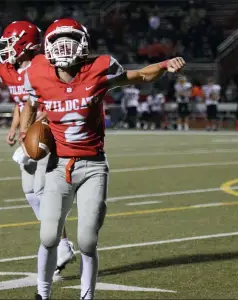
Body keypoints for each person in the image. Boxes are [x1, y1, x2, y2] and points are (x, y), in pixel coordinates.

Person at [18, 18, 186, 300]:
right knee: (48, 237)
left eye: (70, 40)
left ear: (83, 44)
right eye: (58, 41)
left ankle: (86, 296)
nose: (64, 47)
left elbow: (140, 76)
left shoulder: (99, 68)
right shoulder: (37, 72)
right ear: (47, 46)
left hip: (93, 165)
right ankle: (42, 295)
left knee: (87, 241)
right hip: (58, 165)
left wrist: (163, 65)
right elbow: (31, 103)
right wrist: (25, 131)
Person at [0, 21, 76, 274]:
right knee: (30, 193)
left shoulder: (45, 64)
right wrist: (14, 126)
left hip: (47, 132)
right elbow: (21, 103)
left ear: (26, 43)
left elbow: (52, 102)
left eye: (10, 42)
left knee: (42, 191)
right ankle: (58, 242)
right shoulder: (6, 69)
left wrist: (31, 129)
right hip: (27, 132)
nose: (7, 48)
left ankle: (60, 246)